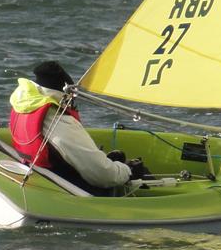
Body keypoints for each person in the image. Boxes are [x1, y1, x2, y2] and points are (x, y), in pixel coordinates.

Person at [9, 61, 144, 195]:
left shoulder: (24, 102)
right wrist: (127, 170)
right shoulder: (59, 120)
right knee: (132, 174)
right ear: (65, 93)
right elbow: (103, 176)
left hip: (40, 178)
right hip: (68, 192)